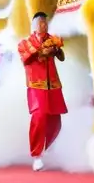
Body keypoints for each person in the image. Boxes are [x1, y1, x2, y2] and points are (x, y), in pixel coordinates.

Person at [17, 12, 68, 171]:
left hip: (53, 85)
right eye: (40, 23)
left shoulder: (52, 39)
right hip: (36, 85)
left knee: (55, 121)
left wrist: (57, 50)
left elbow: (62, 58)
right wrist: (41, 51)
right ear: (34, 25)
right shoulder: (25, 43)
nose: (43, 26)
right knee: (39, 117)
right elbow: (25, 58)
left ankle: (48, 148)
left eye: (45, 23)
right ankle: (36, 155)